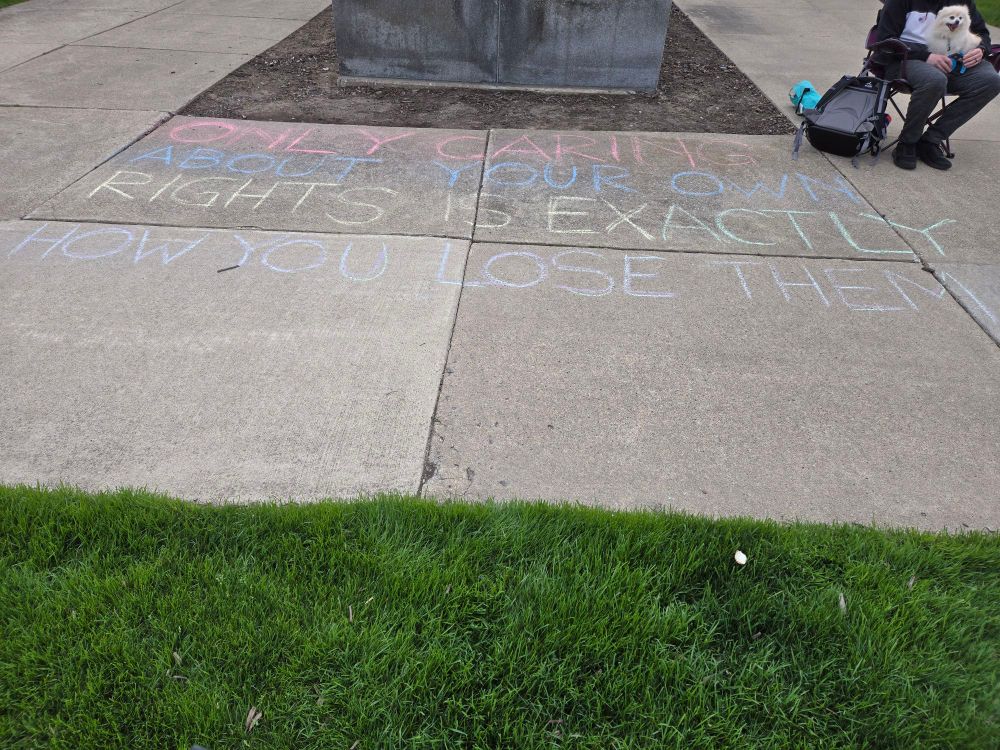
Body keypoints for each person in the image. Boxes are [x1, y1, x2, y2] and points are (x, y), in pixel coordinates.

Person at [874, 0, 1000, 170]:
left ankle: (930, 141)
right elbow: (886, 40)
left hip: (953, 61)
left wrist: (981, 49)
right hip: (905, 59)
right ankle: (907, 142)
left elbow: (982, 33)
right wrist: (926, 56)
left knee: (991, 81)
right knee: (935, 80)